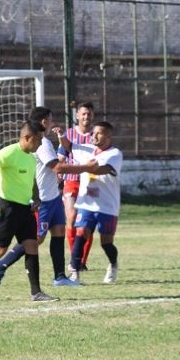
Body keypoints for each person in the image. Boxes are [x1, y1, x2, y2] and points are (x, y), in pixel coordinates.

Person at [0, 107, 91, 287]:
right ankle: (0, 265)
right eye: (50, 120)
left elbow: (57, 164)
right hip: (42, 199)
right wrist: (86, 167)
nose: (51, 123)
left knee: (59, 232)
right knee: (36, 239)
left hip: (54, 196)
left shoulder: (45, 142)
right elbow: (57, 167)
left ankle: (60, 276)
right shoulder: (42, 143)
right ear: (44, 122)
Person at [0, 121, 58, 303]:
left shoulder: (31, 158)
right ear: (27, 138)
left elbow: (32, 181)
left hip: (25, 209)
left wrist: (36, 198)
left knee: (32, 245)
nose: (41, 143)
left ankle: (36, 293)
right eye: (38, 139)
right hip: (5, 208)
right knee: (0, 249)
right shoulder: (9, 152)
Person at [58, 121, 123, 284]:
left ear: (108, 136)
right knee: (80, 235)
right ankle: (75, 273)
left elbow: (102, 170)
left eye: (99, 133)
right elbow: (69, 146)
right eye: (93, 132)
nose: (94, 135)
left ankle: (113, 264)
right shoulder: (87, 150)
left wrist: (76, 168)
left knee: (106, 243)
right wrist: (61, 135)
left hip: (107, 206)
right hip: (86, 203)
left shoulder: (114, 154)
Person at [59, 101, 96, 271]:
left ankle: (82, 262)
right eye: (83, 113)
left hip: (91, 182)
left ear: (92, 115)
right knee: (72, 218)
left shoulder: (97, 134)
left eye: (89, 113)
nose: (86, 116)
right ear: (77, 115)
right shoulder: (69, 134)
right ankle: (74, 258)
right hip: (72, 180)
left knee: (87, 223)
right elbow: (62, 156)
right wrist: (59, 171)